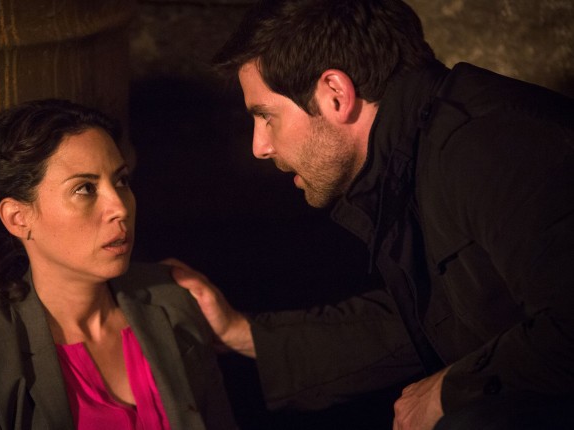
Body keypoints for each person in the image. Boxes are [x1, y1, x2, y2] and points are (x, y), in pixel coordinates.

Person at [163, 0, 574, 428]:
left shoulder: (494, 145)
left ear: (335, 94)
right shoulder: (417, 153)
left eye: (267, 116)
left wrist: (451, 390)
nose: (259, 147)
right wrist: (240, 334)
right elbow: (427, 320)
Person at [0, 99, 237, 430]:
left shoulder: (172, 300)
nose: (119, 208)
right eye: (85, 188)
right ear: (18, 218)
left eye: (121, 181)